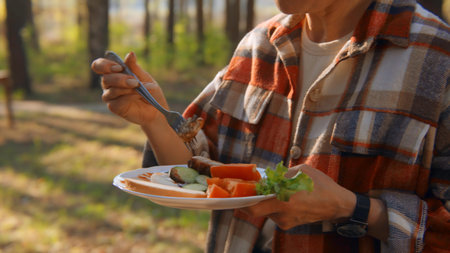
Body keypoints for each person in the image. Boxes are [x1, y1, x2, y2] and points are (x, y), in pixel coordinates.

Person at [91, 0, 449, 252]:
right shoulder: (257, 46)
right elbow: (198, 171)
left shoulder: (438, 60)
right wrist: (154, 118)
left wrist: (352, 209)